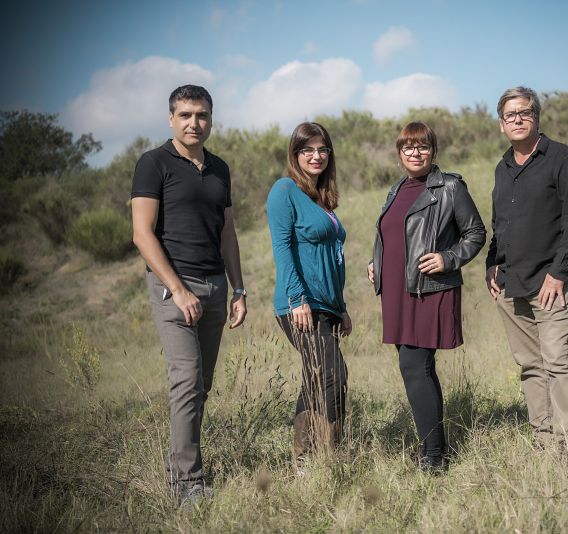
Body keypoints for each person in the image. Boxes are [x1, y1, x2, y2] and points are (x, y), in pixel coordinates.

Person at [131, 85, 247, 506]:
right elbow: (141, 233)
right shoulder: (153, 163)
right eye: (184, 115)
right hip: (172, 288)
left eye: (201, 115)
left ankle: (178, 465)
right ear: (170, 119)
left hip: (216, 286)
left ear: (211, 119)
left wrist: (239, 288)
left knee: (201, 385)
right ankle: (187, 484)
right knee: (185, 381)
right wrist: (178, 290)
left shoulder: (219, 168)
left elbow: (228, 232)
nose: (193, 123)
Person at [368, 122, 485, 471]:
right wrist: (375, 263)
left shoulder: (449, 186)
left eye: (422, 146)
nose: (415, 153)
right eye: (408, 147)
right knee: (418, 368)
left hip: (427, 289)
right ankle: (434, 450)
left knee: (414, 367)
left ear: (433, 151)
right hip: (397, 292)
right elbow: (392, 236)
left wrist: (448, 258)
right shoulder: (395, 190)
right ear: (399, 153)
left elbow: (475, 232)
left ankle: (434, 456)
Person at [486, 86, 568, 450]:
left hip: (551, 284)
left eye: (524, 112)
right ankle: (544, 438)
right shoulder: (503, 168)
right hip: (511, 285)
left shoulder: (561, 158)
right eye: (510, 115)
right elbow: (501, 225)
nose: (517, 119)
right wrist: (491, 266)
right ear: (501, 124)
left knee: (558, 361)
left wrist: (559, 273)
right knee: (531, 366)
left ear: (536, 117)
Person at [266, 122, 351, 473]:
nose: (316, 156)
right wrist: (297, 297)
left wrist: (342, 307)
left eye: (322, 150)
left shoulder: (322, 199)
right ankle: (306, 462)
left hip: (328, 306)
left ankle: (325, 457)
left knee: (319, 375)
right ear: (295, 154)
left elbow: (331, 259)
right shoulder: (285, 190)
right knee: (331, 373)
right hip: (300, 304)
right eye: (308, 150)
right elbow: (282, 248)